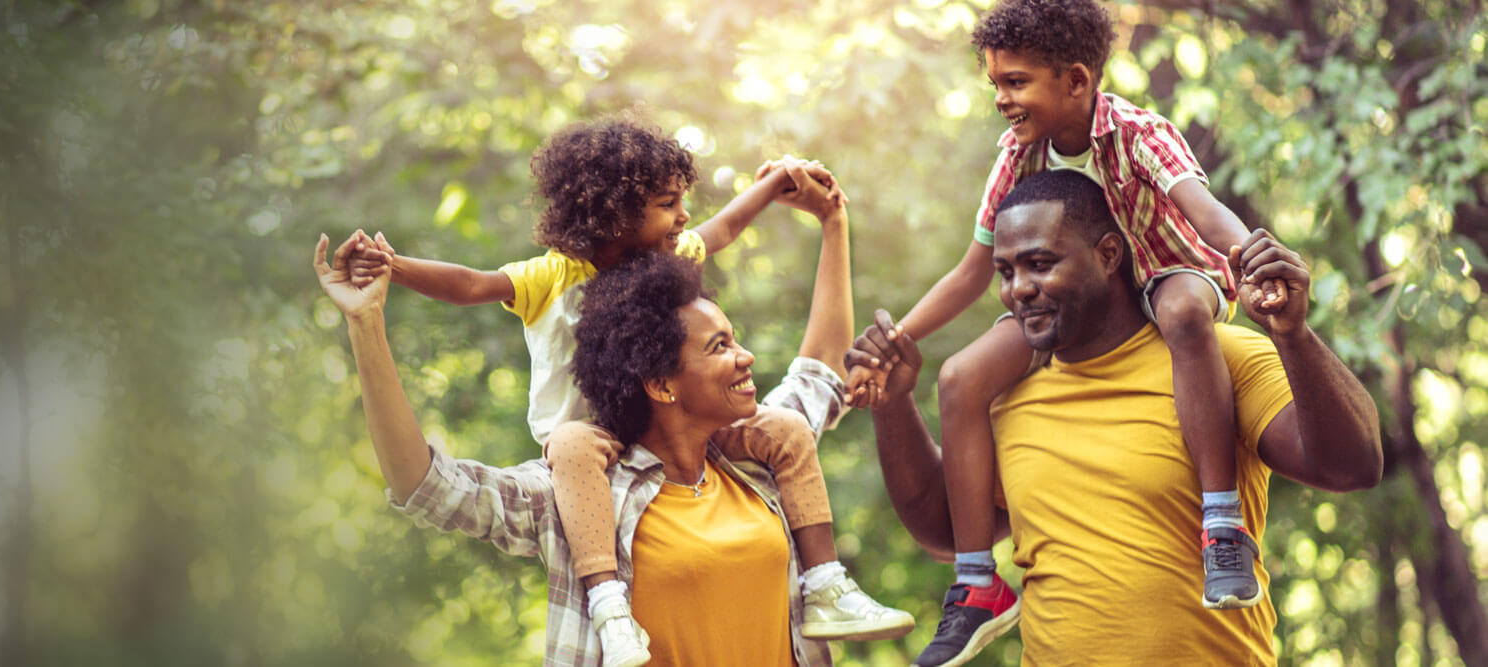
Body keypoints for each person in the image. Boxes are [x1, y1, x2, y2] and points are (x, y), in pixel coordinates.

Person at [350, 113, 908, 665]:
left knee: (788, 423)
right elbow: (426, 484)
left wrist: (830, 218)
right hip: (579, 447)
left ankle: (828, 586)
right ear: (661, 381)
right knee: (572, 443)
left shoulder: (760, 457)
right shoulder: (579, 497)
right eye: (719, 346)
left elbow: (819, 374)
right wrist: (370, 314)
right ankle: (609, 607)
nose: (747, 358)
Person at [841, 0, 1290, 659]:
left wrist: (1253, 254)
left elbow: (1202, 210)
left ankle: (1221, 524)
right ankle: (975, 583)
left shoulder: (1140, 132)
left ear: (1076, 81)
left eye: (1015, 82)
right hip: (1075, 298)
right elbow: (972, 272)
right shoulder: (1018, 154)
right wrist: (894, 338)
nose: (1001, 98)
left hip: (1168, 273)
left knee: (1186, 313)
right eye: (994, 83)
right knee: (963, 376)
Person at [847, 170, 1382, 665]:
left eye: (1041, 263)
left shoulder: (1215, 360)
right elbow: (946, 533)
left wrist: (1292, 335)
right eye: (1005, 272)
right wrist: (893, 405)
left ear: (1107, 255)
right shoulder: (1004, 398)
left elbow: (1351, 466)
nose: (1018, 289)